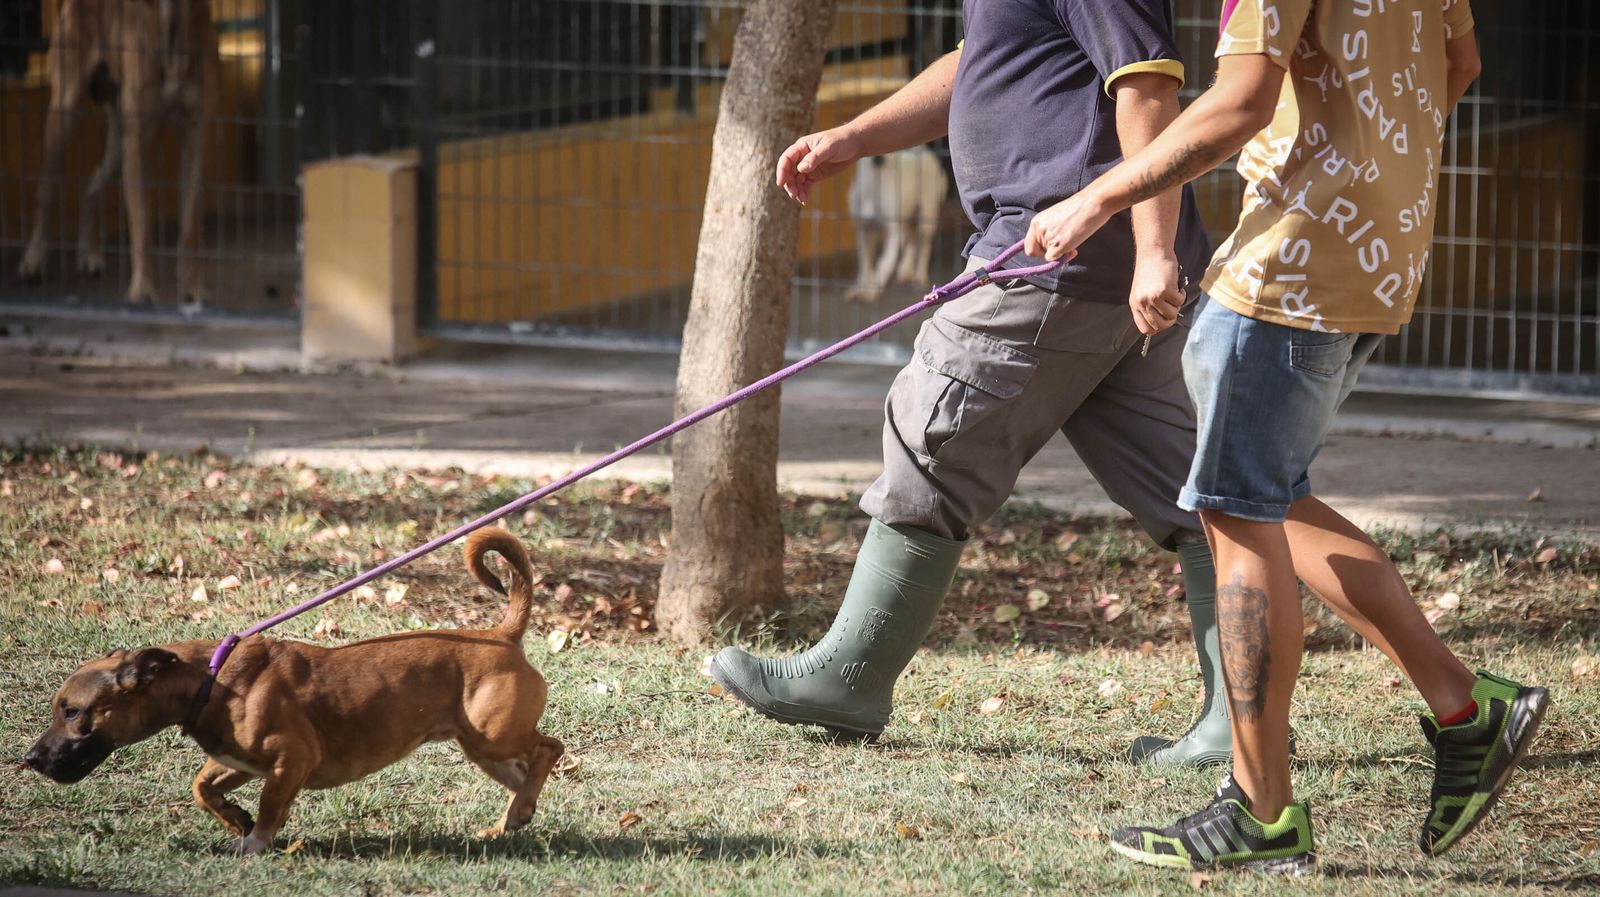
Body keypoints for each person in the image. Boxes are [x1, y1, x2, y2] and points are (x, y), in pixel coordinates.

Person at [1023, 0, 1548, 874]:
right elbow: (1460, 65)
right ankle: (1466, 706)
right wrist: (1366, 166)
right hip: (1376, 260)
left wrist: (1099, 196)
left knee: (1236, 514)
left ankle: (1261, 811)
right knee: (1277, 498)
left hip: (1288, 271)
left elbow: (1241, 103)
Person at [710, 0, 1235, 768]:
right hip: (1098, 272)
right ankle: (1240, 717)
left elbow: (1148, 89)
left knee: (934, 435)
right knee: (1195, 490)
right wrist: (855, 137)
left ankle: (848, 679)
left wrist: (1152, 252)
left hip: (1058, 257)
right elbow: (985, 57)